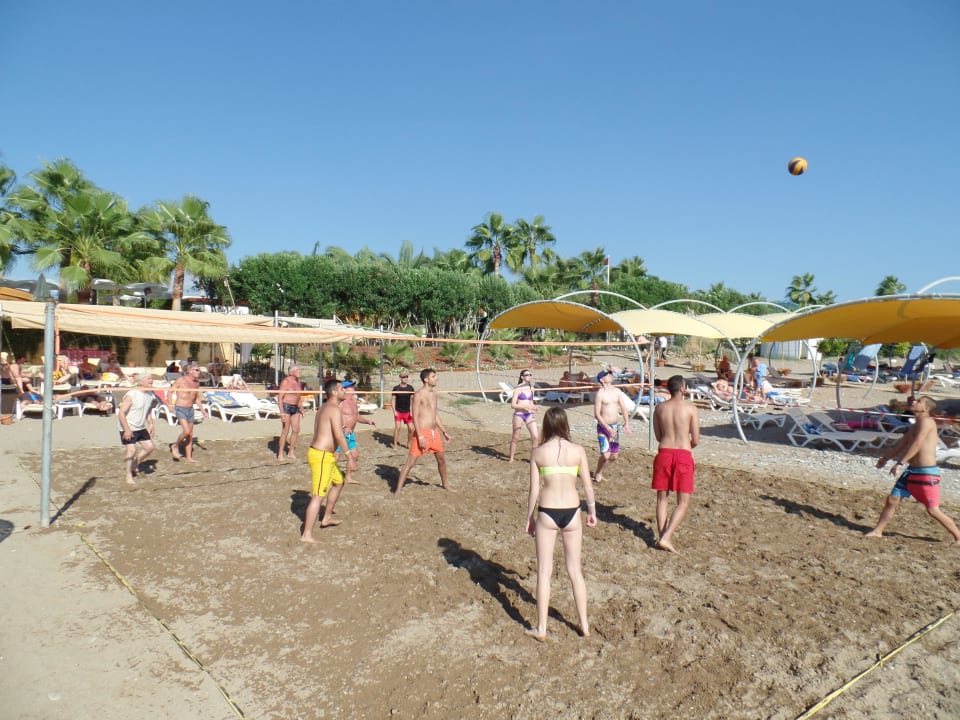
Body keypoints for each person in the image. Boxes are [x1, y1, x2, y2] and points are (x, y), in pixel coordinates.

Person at [525, 407, 597, 641]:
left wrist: (529, 517)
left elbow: (534, 489)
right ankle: (584, 624)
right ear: (565, 424)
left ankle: (542, 628)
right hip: (572, 511)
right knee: (575, 571)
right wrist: (592, 511)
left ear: (546, 425)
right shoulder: (577, 451)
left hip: (547, 512)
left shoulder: (538, 452)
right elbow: (587, 486)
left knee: (544, 572)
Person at [866, 396, 960, 545]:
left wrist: (900, 462)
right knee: (892, 500)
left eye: (919, 402)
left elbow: (917, 444)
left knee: (933, 510)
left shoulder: (927, 422)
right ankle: (878, 531)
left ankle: (958, 536)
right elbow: (903, 443)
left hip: (926, 472)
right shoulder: (916, 425)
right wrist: (886, 458)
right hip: (912, 471)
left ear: (926, 408)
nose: (914, 402)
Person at [301, 379, 356, 542]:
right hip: (321, 456)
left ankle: (326, 518)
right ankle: (306, 535)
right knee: (318, 495)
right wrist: (349, 456)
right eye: (341, 389)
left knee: (339, 482)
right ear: (334, 392)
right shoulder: (333, 409)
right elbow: (339, 435)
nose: (344, 391)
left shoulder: (325, 408)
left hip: (326, 456)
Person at [652, 375, 700, 553]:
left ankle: (661, 535)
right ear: (682, 389)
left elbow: (658, 436)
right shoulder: (690, 408)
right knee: (683, 501)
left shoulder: (660, 408)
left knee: (662, 499)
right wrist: (688, 445)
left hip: (664, 452)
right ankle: (666, 536)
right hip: (683, 453)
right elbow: (695, 439)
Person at [395, 368, 451, 495]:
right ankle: (398, 490)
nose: (436, 378)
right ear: (426, 379)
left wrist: (444, 431)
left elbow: (435, 414)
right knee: (410, 462)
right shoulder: (418, 395)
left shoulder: (433, 394)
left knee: (441, 460)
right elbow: (414, 416)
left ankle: (446, 484)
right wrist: (420, 437)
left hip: (434, 432)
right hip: (422, 432)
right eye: (433, 376)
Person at [593, 370, 631, 483]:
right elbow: (597, 414)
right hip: (603, 426)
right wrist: (608, 428)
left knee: (614, 456)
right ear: (601, 380)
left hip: (614, 426)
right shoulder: (600, 393)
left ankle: (599, 472)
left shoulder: (617, 391)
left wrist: (627, 422)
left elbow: (623, 408)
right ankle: (598, 472)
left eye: (609, 374)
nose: (609, 376)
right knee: (605, 455)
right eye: (606, 375)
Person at [117, 375, 156, 485]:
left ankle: (134, 464)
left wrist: (151, 424)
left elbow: (147, 411)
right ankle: (128, 475)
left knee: (150, 447)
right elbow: (121, 413)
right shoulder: (131, 394)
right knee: (132, 450)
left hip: (140, 426)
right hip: (127, 426)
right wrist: (127, 430)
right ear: (141, 382)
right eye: (149, 379)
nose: (151, 380)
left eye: (151, 379)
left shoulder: (149, 395)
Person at [339, 379, 375, 484]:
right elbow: (334, 417)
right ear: (344, 390)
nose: (353, 388)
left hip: (350, 434)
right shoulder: (340, 402)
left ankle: (348, 477)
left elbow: (356, 416)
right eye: (350, 387)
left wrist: (368, 421)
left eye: (353, 386)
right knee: (335, 457)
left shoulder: (354, 401)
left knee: (355, 455)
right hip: (339, 433)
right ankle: (326, 477)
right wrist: (344, 426)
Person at [170, 364, 207, 462]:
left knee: (190, 434)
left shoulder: (196, 383)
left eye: (199, 370)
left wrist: (202, 410)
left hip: (190, 409)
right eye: (197, 370)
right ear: (190, 371)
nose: (199, 372)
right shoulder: (181, 380)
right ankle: (175, 446)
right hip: (180, 408)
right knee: (186, 431)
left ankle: (189, 457)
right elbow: (170, 392)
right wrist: (170, 406)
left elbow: (196, 398)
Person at [509, 369, 540, 462]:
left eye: (530, 374)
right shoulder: (518, 389)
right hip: (519, 414)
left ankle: (533, 459)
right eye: (527, 375)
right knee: (515, 437)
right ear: (522, 377)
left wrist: (534, 407)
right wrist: (524, 405)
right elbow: (513, 405)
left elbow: (531, 403)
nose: (529, 376)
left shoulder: (532, 388)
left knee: (535, 437)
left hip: (529, 414)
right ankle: (511, 458)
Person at [277, 365, 304, 461]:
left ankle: (291, 451)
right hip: (286, 407)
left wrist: (301, 408)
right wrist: (282, 413)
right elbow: (279, 398)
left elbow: (298, 396)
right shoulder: (286, 382)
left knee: (296, 429)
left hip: (296, 407)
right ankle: (280, 453)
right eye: (297, 369)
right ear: (291, 372)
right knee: (285, 430)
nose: (299, 371)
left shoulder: (298, 382)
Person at [391, 372, 415, 449]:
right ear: (400, 378)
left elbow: (412, 400)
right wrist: (394, 411)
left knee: (411, 428)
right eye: (404, 377)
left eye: (406, 377)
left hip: (407, 411)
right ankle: (395, 445)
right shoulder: (396, 388)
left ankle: (409, 443)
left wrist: (411, 410)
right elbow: (393, 400)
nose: (405, 378)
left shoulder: (410, 388)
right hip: (398, 411)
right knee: (398, 427)